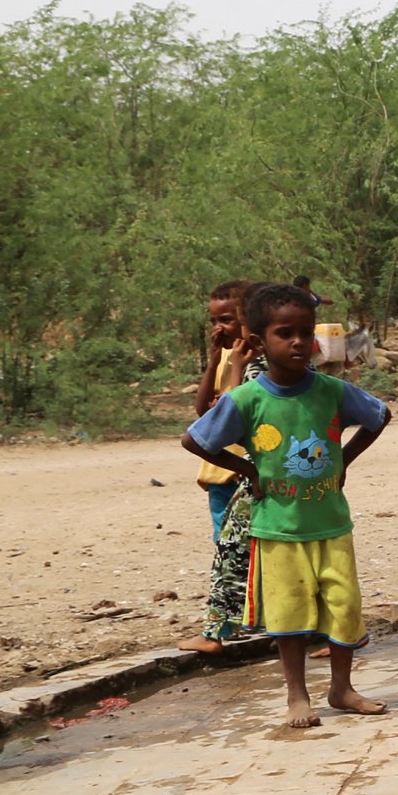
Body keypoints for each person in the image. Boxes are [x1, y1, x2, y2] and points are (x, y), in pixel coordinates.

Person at [181, 282, 391, 727]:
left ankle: (342, 688)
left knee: (344, 607)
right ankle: (297, 695)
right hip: (277, 528)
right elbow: (194, 439)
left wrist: (343, 461)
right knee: (289, 614)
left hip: (331, 523)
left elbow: (378, 416)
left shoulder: (331, 390)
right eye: (284, 333)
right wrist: (249, 470)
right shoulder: (247, 399)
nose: (299, 342)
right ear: (259, 341)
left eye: (306, 331)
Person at [179, 280, 255, 655]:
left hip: (243, 472)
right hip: (217, 476)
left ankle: (223, 629)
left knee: (239, 551)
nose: (218, 328)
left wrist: (236, 370)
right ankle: (230, 625)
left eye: (227, 319)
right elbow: (202, 411)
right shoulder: (230, 358)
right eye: (214, 320)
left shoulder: (255, 363)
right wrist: (214, 359)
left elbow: (229, 412)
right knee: (227, 549)